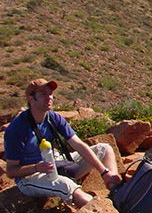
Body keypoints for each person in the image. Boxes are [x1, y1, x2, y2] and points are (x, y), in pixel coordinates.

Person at [3, 78, 122, 208]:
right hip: (30, 176)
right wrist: (36, 168)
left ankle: (116, 193)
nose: (49, 98)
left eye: (50, 94)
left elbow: (79, 145)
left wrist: (104, 172)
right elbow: (11, 171)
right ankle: (105, 209)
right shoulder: (17, 129)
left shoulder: (52, 117)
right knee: (66, 185)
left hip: (53, 163)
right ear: (31, 99)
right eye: (43, 94)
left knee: (104, 148)